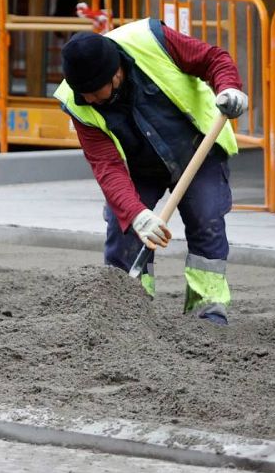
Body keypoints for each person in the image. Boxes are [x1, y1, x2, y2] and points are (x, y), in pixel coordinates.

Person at [57, 22, 245, 324]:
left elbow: (213, 59)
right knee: (124, 230)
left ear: (115, 72)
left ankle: (208, 310)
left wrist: (230, 88)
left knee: (206, 219)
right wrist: (136, 215)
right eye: (82, 93)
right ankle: (128, 311)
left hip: (196, 149)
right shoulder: (78, 101)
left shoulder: (152, 40)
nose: (88, 99)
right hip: (138, 167)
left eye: (93, 92)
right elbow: (107, 167)